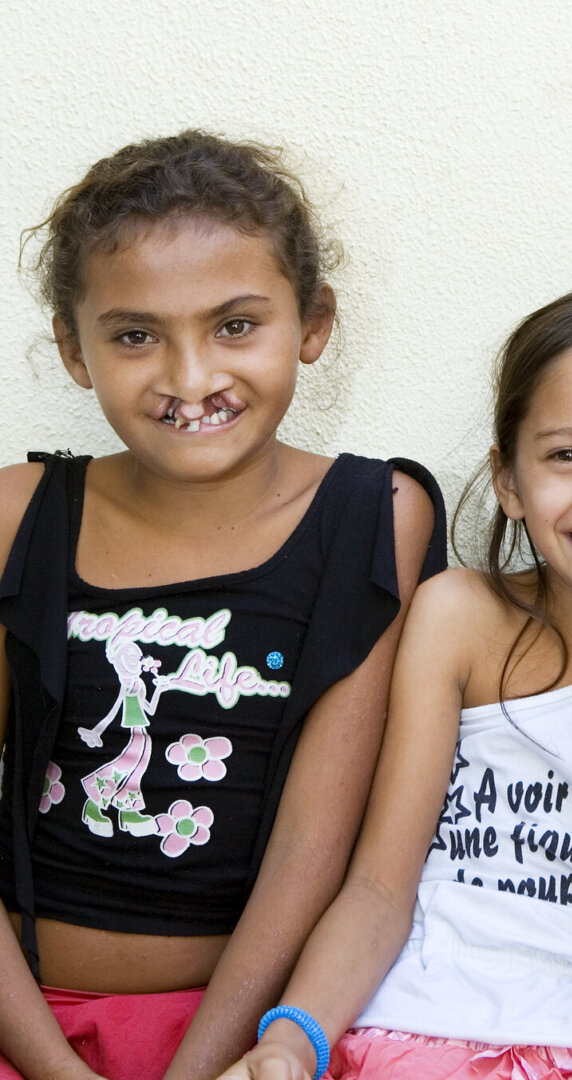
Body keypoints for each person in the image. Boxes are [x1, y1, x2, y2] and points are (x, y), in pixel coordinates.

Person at [218, 288, 572, 1080]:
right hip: (413, 1029)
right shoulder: (457, 619)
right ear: (509, 481)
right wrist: (292, 1038)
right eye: (567, 455)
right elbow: (380, 890)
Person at [0, 131, 445, 1080]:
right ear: (74, 351)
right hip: (23, 1026)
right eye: (134, 335)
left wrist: (204, 1068)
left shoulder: (375, 520)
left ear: (312, 323)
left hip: (248, 1037)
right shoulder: (15, 518)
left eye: (235, 325)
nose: (190, 377)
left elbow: (312, 853)